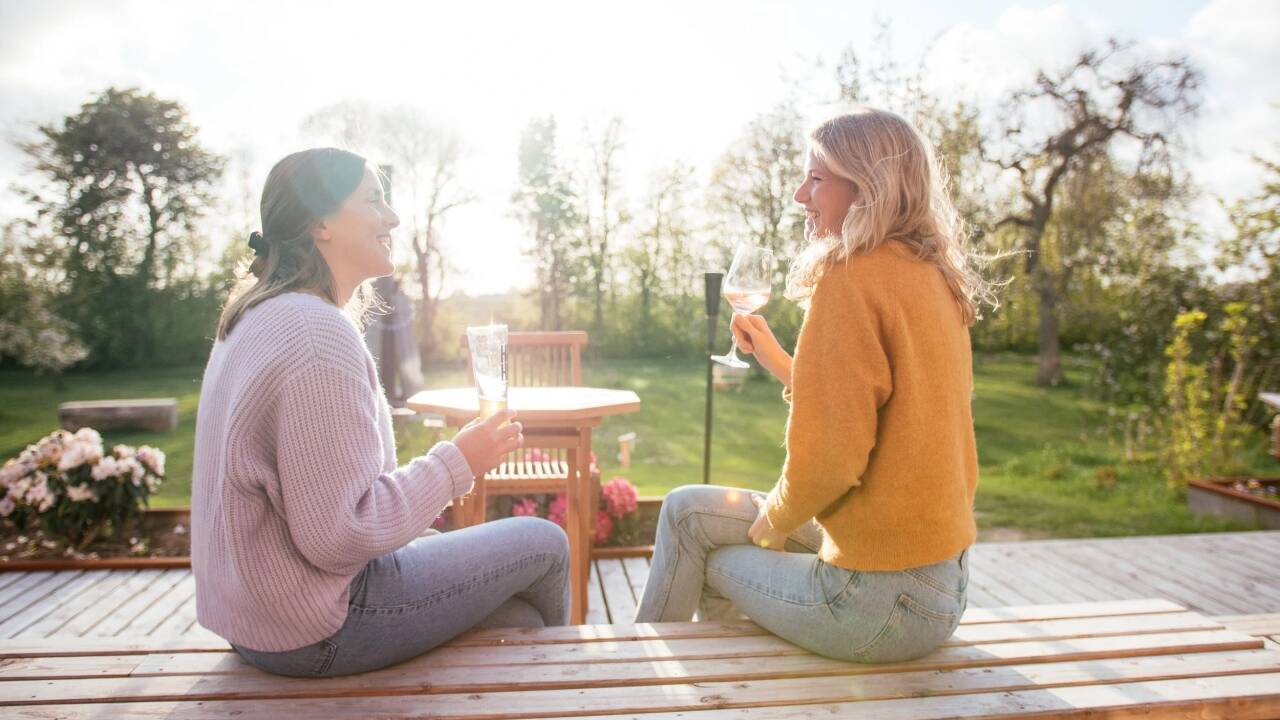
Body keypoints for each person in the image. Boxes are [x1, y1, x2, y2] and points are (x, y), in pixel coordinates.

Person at [191, 148, 569, 678]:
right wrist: (456, 461)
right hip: (315, 626)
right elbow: (339, 536)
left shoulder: (258, 315)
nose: (391, 217)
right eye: (374, 199)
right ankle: (569, 695)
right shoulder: (315, 333)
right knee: (544, 543)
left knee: (519, 617)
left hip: (257, 621)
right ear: (319, 221)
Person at [635, 109, 994, 663]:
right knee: (687, 509)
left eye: (817, 179)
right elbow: (871, 407)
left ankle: (641, 686)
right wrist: (777, 357)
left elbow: (830, 457)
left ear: (867, 185)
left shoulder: (850, 276)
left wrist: (775, 521)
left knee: (703, 546)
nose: (802, 194)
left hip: (876, 603)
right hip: (942, 584)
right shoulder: (933, 276)